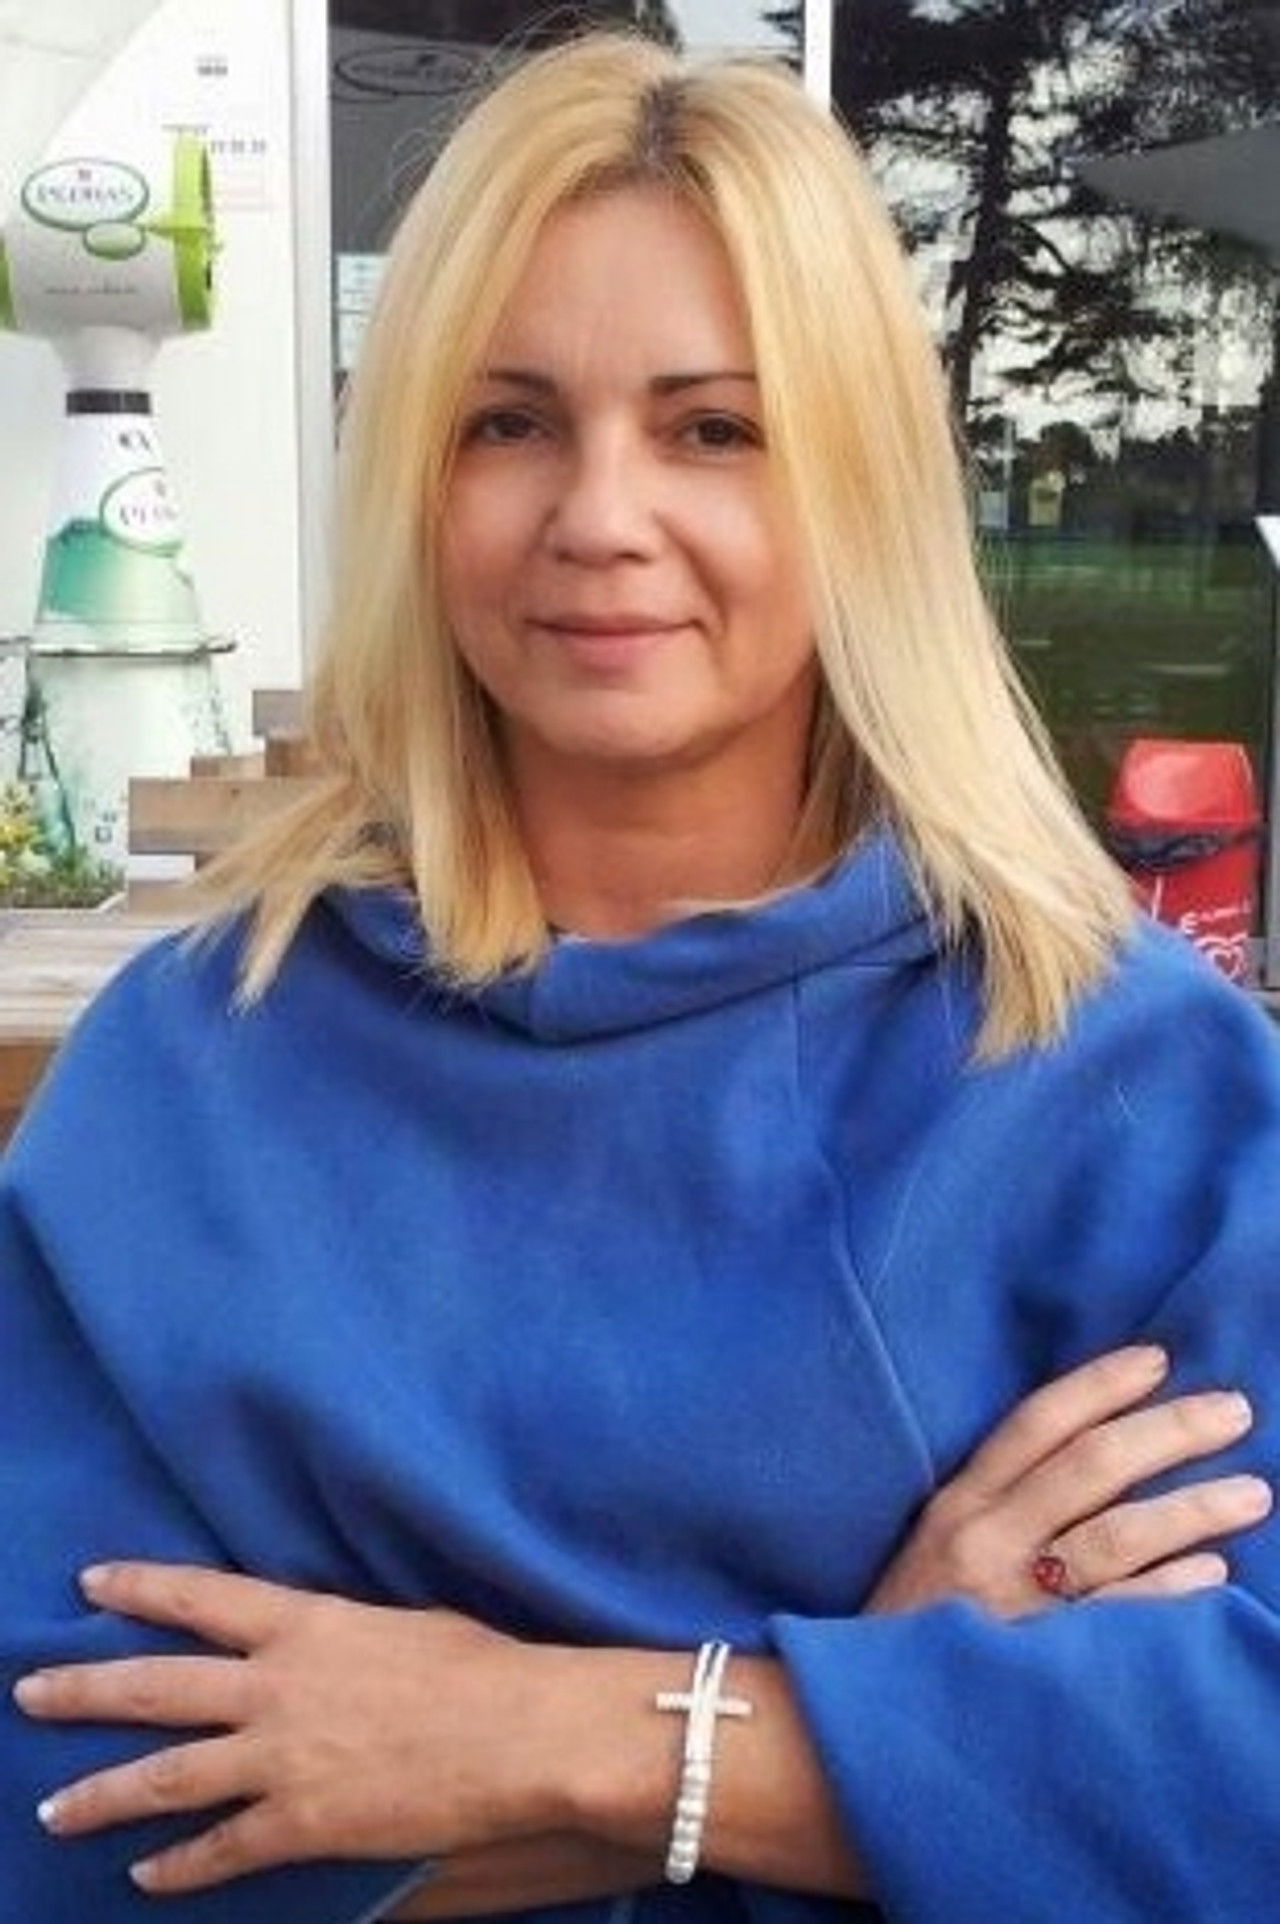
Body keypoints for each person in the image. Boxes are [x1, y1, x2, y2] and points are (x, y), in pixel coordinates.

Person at [2, 29, 1279, 1924]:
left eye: (714, 430)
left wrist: (556, 1733)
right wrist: (892, 1729)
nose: (600, 517)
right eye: (507, 423)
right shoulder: (190, 1078)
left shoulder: (1124, 1083)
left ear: (860, 486)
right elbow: (58, 1792)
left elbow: (1239, 1777)